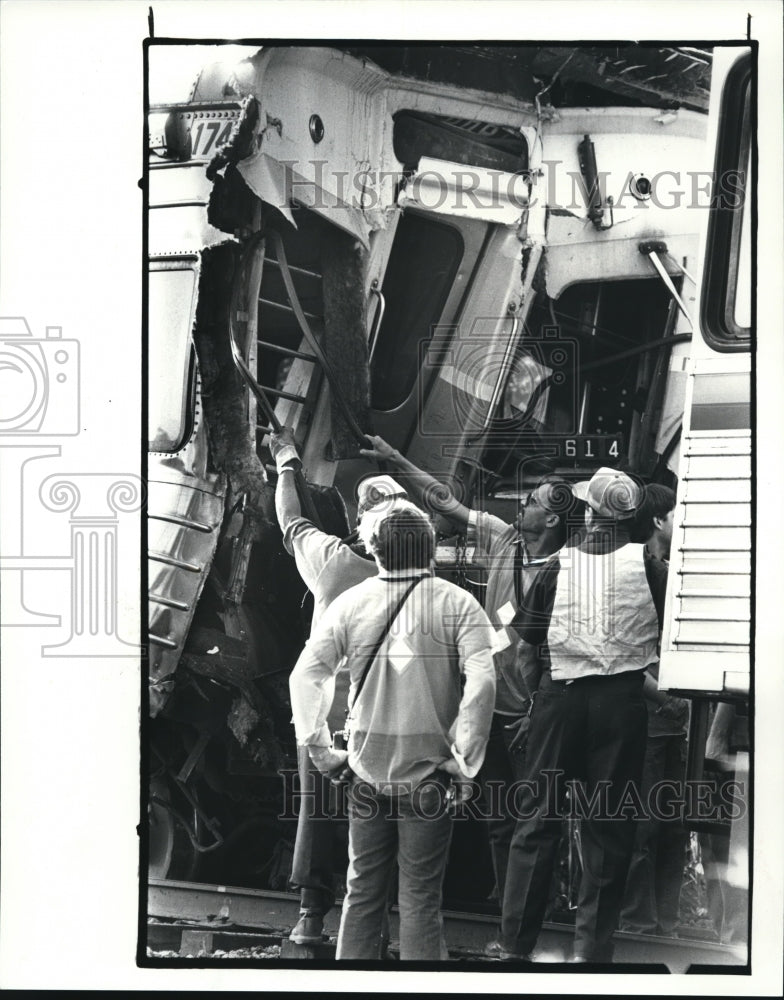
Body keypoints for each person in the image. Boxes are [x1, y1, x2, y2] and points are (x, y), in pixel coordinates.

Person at [358, 435, 574, 912]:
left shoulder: (566, 570)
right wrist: (395, 458)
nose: (524, 503)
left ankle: (542, 908)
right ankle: (508, 910)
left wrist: (537, 708)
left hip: (530, 714)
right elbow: (445, 501)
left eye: (534, 501)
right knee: (499, 819)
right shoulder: (504, 538)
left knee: (534, 821)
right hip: (492, 710)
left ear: (553, 518)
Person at [289, 502, 496, 960]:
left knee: (362, 891)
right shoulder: (458, 603)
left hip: (364, 770)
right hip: (429, 776)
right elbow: (482, 682)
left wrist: (322, 752)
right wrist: (464, 761)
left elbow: (304, 676)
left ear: (375, 550)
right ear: (430, 547)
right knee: (421, 900)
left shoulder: (351, 602)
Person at [498, 466, 665, 963]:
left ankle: (514, 951)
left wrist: (537, 704)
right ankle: (591, 954)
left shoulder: (554, 568)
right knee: (607, 829)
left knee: (535, 826)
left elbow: (525, 654)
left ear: (590, 511)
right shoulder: (650, 567)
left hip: (559, 701)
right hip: (621, 706)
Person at [270, 426, 408, 948]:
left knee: (317, 810)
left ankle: (310, 917)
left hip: (327, 715)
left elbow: (291, 520)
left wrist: (287, 461)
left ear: (358, 519)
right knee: (374, 823)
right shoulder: (422, 579)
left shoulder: (331, 560)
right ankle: (376, 924)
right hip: (384, 722)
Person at [620, 484, 691, 936]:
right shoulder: (646, 573)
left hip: (672, 717)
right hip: (652, 713)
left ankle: (661, 919)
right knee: (647, 825)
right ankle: (638, 920)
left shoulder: (665, 571)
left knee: (670, 826)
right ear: (660, 520)